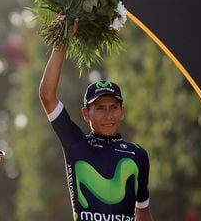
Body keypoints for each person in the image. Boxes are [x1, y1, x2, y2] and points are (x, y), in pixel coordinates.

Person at [39, 16, 153, 221]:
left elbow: (142, 211)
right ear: (86, 114)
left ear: (122, 111)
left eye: (113, 107)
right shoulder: (76, 144)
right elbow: (47, 96)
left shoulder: (138, 155)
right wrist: (62, 42)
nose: (108, 115)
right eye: (100, 108)